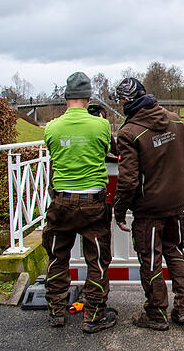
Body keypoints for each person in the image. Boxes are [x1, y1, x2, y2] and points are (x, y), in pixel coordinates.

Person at [113, 77, 184, 331]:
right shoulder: (176, 120)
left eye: (120, 100)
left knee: (150, 259)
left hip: (149, 211)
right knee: (174, 251)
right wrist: (182, 192)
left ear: (126, 101)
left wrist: (119, 210)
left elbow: (128, 181)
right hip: (175, 206)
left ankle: (156, 312)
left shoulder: (128, 133)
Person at [42, 71, 116, 333]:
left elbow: (55, 153)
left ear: (66, 98)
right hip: (93, 204)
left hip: (61, 203)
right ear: (87, 98)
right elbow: (108, 150)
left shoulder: (52, 128)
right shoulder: (101, 125)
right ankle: (93, 315)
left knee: (57, 256)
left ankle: (56, 312)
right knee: (96, 260)